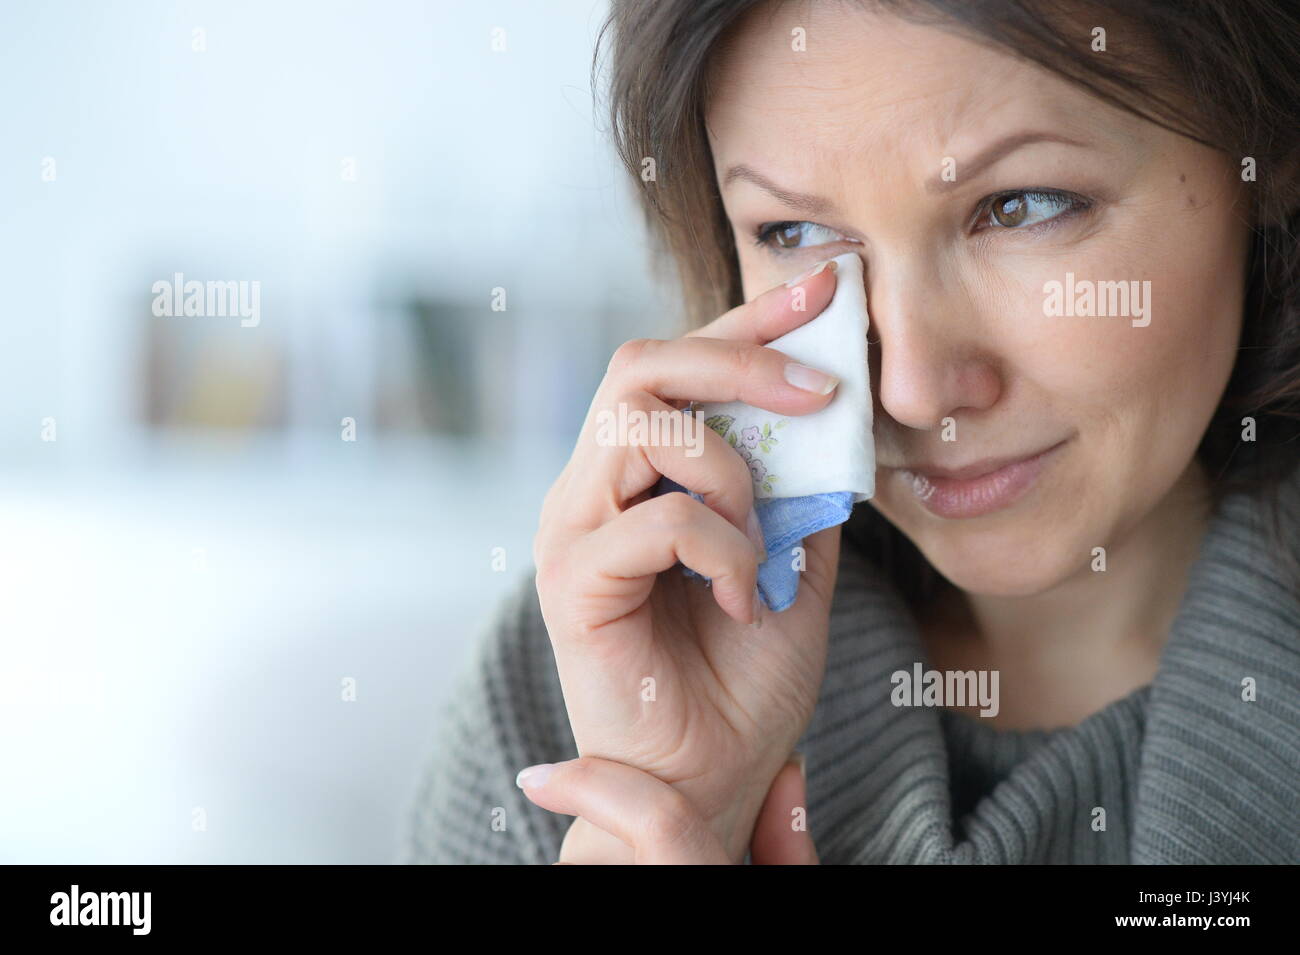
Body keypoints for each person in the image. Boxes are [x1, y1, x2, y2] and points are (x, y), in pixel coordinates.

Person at [407, 0, 1300, 864]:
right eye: (793, 231)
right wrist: (667, 818)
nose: (909, 391)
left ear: (1269, 150)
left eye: (1025, 205)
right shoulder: (588, 680)